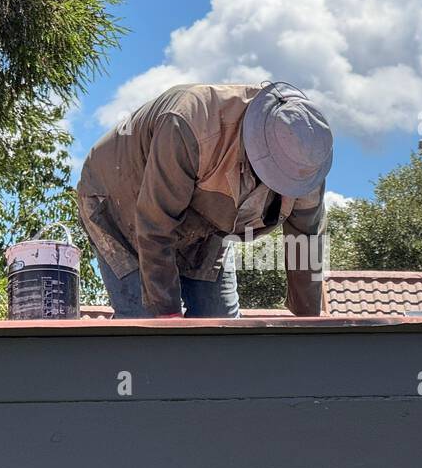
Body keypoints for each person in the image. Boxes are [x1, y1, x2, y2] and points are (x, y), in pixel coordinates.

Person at [77, 81, 332, 318]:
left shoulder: (307, 164)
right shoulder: (190, 124)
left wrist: (308, 324)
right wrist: (168, 316)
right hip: (122, 204)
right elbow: (155, 227)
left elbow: (305, 245)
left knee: (220, 323)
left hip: (204, 221)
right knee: (148, 327)